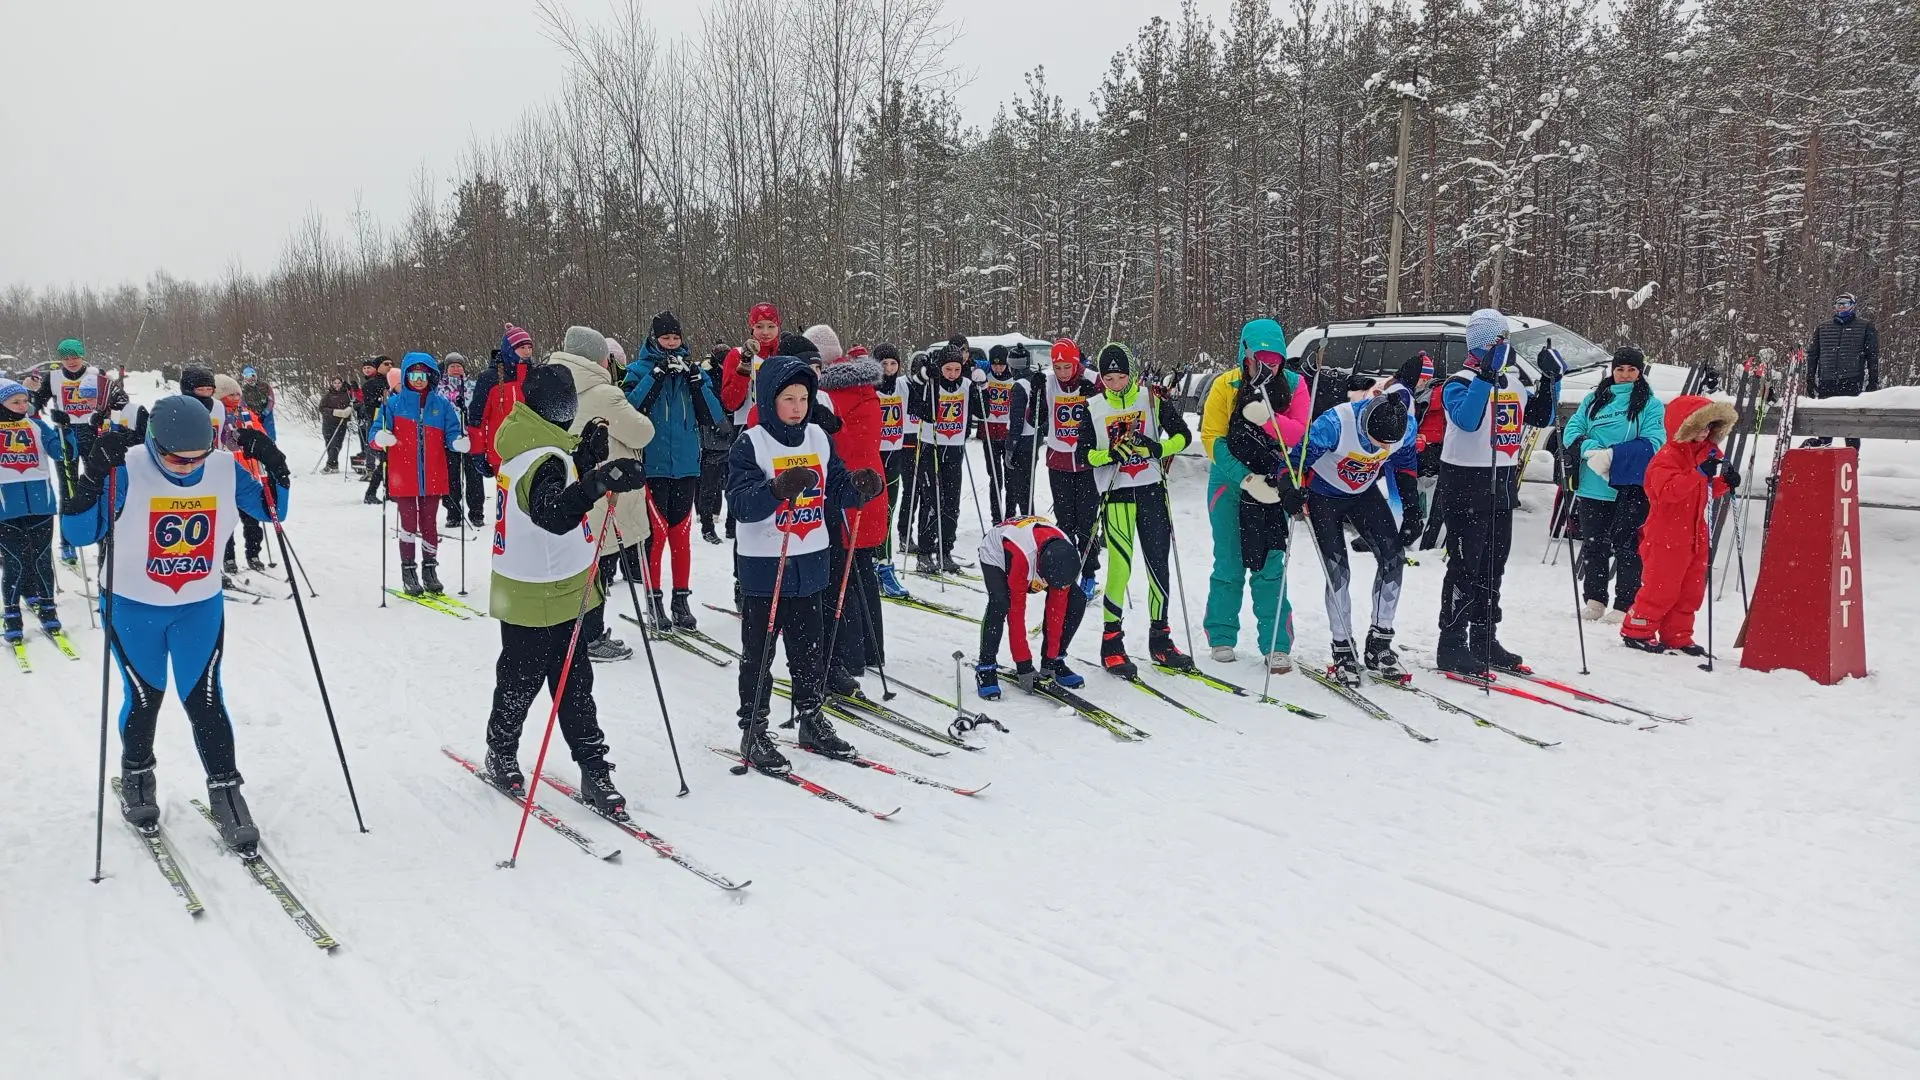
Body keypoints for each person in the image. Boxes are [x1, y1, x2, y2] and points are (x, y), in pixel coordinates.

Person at [62, 395, 292, 849]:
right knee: (145, 698)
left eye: (198, 457)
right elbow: (79, 534)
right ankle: (137, 775)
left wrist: (276, 465)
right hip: (132, 605)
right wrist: (92, 476)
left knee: (205, 699)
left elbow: (273, 512)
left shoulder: (224, 469)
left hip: (197, 606)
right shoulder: (127, 467)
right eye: (175, 458)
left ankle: (226, 790)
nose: (188, 466)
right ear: (152, 442)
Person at [480, 364, 645, 813]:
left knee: (575, 685)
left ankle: (593, 767)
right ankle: (501, 750)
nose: (568, 409)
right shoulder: (540, 456)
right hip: (532, 590)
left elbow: (561, 487)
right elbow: (553, 513)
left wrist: (587, 462)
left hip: (562, 585)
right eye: (564, 402)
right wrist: (598, 481)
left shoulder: (542, 441)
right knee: (521, 680)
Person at [725, 353, 885, 776]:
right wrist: (776, 489)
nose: (797, 408)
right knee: (759, 653)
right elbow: (740, 505)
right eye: (788, 399)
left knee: (809, 648)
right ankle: (754, 728)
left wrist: (858, 486)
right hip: (766, 566)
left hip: (811, 561)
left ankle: (811, 716)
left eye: (803, 399)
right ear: (770, 400)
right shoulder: (752, 443)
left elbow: (836, 486)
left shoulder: (818, 437)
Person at [1434, 308, 1563, 677]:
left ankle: (1484, 637)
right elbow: (1467, 419)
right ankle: (1452, 643)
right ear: (1478, 345)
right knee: (1465, 566)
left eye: (1505, 340)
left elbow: (1540, 416)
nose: (1503, 347)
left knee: (1493, 565)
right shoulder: (1458, 382)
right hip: (1465, 481)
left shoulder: (1513, 381)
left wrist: (1551, 381)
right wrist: (1486, 377)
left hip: (1502, 480)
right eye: (1495, 341)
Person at [1300, 358, 1422, 684]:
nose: (1382, 449)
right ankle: (1342, 647)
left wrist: (1413, 509)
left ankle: (1379, 643)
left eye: (1387, 445)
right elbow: (1297, 459)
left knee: (1394, 557)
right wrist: (1291, 487)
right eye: (1377, 442)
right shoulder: (1336, 423)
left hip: (1363, 493)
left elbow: (1406, 465)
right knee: (1338, 570)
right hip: (1324, 495)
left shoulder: (1404, 426)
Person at [1077, 342, 1195, 676]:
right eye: (1108, 378)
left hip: (1151, 490)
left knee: (1158, 564)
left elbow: (1183, 436)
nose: (1115, 383)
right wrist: (1109, 455)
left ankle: (1161, 640)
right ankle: (1112, 643)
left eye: (1120, 376)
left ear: (1130, 373)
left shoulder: (1151, 399)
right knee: (1120, 566)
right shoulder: (1093, 407)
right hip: (1116, 492)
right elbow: (1083, 455)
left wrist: (1157, 448)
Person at [1200, 318, 1309, 671]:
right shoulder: (1225, 385)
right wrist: (1245, 479)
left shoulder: (1295, 385)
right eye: (1260, 359)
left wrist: (1266, 419)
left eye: (1275, 360)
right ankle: (1221, 634)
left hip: (1273, 482)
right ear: (1245, 355)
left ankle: (1276, 643)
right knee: (1228, 562)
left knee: (1270, 564)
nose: (1268, 367)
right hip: (1230, 482)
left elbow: (1297, 435)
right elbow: (1212, 439)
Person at [546, 325, 655, 661]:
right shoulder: (603, 393)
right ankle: (589, 636)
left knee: (580, 563)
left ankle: (573, 629)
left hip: (566, 486)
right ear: (599, 358)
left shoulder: (552, 386)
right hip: (604, 486)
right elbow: (642, 432)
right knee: (599, 565)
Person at [617, 312, 715, 631]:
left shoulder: (693, 370)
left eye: (676, 338)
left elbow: (713, 416)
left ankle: (681, 600)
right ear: (654, 339)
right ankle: (654, 598)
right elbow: (631, 410)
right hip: (654, 465)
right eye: (665, 338)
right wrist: (656, 376)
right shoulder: (638, 370)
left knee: (681, 535)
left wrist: (697, 382)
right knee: (656, 536)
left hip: (686, 465)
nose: (671, 343)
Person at [1621, 395, 1738, 654]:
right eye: (1700, 426)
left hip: (1695, 533)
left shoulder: (1703, 455)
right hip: (1666, 535)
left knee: (1690, 590)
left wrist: (1724, 483)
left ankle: (1678, 634)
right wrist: (1698, 473)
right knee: (1661, 587)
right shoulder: (1667, 458)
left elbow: (1702, 491)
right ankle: (1637, 629)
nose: (1705, 432)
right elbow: (1669, 492)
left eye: (1710, 426)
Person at [1561, 346, 1665, 623]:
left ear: (1640, 372)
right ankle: (1595, 600)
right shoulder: (1595, 398)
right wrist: (1591, 450)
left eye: (1632, 370)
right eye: (1620, 369)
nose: (1625, 375)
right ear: (1612, 370)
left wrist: (1613, 455)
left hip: (1630, 487)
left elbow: (1655, 442)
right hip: (1592, 484)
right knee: (1594, 546)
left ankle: (1624, 604)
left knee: (1626, 547)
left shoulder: (1650, 404)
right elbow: (1573, 430)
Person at [816, 328, 889, 696]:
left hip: (849, 487)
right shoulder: (865, 389)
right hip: (868, 484)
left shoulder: (834, 395)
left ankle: (852, 653)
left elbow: (837, 443)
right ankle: (872, 648)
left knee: (845, 574)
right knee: (862, 570)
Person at [369, 353, 468, 596]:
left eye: (423, 375)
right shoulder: (393, 404)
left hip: (433, 473)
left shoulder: (441, 405)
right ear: (405, 376)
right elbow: (375, 432)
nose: (419, 380)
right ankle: (408, 570)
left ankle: (429, 569)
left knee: (429, 523)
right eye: (414, 375)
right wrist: (380, 439)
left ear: (431, 376)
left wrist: (457, 442)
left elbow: (452, 431)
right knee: (408, 524)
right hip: (403, 474)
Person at [973, 516, 1087, 699]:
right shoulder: (1021, 557)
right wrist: (1023, 665)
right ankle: (986, 666)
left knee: (1077, 600)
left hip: (1041, 552)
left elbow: (1056, 611)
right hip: (997, 553)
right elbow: (1016, 614)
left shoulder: (1065, 554)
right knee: (1000, 602)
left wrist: (1050, 661)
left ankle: (1058, 660)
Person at [907, 342, 983, 572]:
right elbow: (916, 407)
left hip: (955, 448)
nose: (952, 374)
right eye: (947, 369)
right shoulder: (930, 384)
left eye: (956, 369)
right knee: (932, 502)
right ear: (940, 367)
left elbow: (983, 412)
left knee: (951, 504)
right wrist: (928, 384)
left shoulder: (967, 384)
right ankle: (924, 552)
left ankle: (945, 550)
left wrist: (983, 388)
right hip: (931, 447)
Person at [0, 379, 63, 647]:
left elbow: (62, 453)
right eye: (15, 402)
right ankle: (12, 616)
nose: (22, 406)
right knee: (14, 563)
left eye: (25, 401)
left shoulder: (36, 425)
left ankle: (49, 610)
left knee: (41, 561)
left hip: (41, 504)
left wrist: (64, 430)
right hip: (6, 508)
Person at [36, 339, 112, 564]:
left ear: (82, 356)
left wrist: (103, 414)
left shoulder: (96, 374)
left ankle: (101, 537)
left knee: (96, 485)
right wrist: (52, 413)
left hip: (91, 432)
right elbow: (35, 404)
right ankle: (67, 542)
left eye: (75, 356)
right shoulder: (53, 377)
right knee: (67, 487)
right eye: (66, 358)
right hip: (66, 434)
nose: (71, 362)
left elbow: (114, 401)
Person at [1038, 339, 1101, 598]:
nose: (1063, 373)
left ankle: (1089, 573)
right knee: (1065, 521)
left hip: (1087, 463)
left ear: (1076, 363)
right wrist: (1034, 393)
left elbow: (1110, 388)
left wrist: (1090, 385)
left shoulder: (1090, 380)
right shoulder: (1049, 383)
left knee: (1087, 522)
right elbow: (1035, 417)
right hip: (1059, 461)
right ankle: (1065, 569)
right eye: (1058, 367)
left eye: (1068, 366)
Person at [1803, 292, 1879, 451]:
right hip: (1827, 381)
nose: (1842, 307)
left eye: (1845, 303)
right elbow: (1813, 354)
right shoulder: (1823, 327)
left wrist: (1873, 382)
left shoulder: (1865, 326)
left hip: (1851, 380)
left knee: (1850, 426)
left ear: (1853, 306)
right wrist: (1810, 378)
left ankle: (1852, 457)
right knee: (1825, 425)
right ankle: (1822, 457)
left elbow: (1872, 356)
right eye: (1839, 304)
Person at [213, 374, 271, 574]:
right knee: (226, 520)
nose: (236, 398)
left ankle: (253, 554)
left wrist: (261, 447)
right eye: (231, 395)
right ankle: (228, 558)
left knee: (252, 518)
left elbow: (262, 434)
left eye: (238, 394)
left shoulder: (246, 414)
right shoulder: (217, 416)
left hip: (248, 473)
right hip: (225, 474)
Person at [873, 345, 915, 598]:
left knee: (887, 514)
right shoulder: (869, 388)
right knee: (871, 514)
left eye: (893, 364)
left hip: (894, 457)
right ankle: (871, 561)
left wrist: (925, 375)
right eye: (884, 364)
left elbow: (923, 401)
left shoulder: (903, 386)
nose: (889, 369)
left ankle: (884, 564)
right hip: (872, 458)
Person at [470, 324, 536, 475]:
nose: (527, 352)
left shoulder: (536, 375)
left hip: (532, 451)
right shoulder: (489, 379)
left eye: (529, 347)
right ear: (509, 349)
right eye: (522, 347)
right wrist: (478, 452)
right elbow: (477, 419)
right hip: (501, 454)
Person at [436, 352, 486, 529]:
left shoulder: (472, 386)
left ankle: (476, 512)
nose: (456, 369)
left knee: (474, 476)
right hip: (448, 439)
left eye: (459, 366)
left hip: (470, 438)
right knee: (451, 477)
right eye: (452, 366)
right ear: (446, 369)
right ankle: (453, 513)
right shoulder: (439, 389)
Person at [696, 342, 737, 544]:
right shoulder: (707, 374)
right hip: (714, 435)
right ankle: (708, 526)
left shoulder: (734, 372)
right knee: (710, 485)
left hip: (731, 433)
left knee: (733, 483)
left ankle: (731, 525)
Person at [980, 345, 1018, 520]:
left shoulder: (1013, 379)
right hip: (989, 433)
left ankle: (1010, 514)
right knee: (995, 477)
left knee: (1011, 477)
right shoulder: (984, 377)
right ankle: (996, 516)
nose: (998, 368)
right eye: (995, 365)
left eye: (1002, 365)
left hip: (1008, 433)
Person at [1001, 342, 1038, 518]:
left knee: (1017, 487)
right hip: (1033, 440)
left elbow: (1017, 420)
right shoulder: (1033, 380)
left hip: (1021, 442)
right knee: (1026, 487)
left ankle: (1021, 520)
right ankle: (1026, 517)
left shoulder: (1019, 386)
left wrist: (1010, 446)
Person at [319, 376, 355, 473]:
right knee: (329, 444)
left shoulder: (347, 394)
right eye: (335, 383)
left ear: (342, 383)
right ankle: (333, 465)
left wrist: (349, 410)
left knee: (336, 444)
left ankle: (331, 464)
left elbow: (354, 402)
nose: (337, 385)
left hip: (340, 423)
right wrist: (334, 412)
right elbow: (321, 408)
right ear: (332, 383)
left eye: (339, 383)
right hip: (328, 422)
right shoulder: (328, 395)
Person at [239, 366, 277, 440]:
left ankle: (271, 444)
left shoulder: (265, 386)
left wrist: (264, 413)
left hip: (267, 414)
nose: (251, 379)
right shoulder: (244, 390)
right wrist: (248, 416)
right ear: (245, 379)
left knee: (270, 436)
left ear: (255, 376)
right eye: (247, 377)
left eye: (252, 376)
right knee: (257, 436)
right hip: (253, 416)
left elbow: (271, 401)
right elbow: (242, 405)